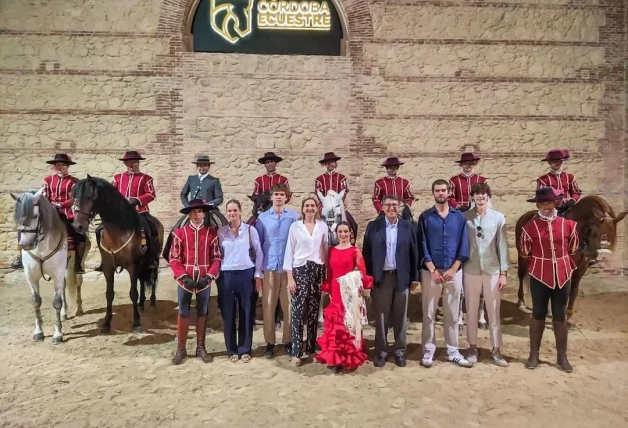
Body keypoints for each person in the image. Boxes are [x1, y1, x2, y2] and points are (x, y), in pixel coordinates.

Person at [520, 187, 579, 373]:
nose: (546, 206)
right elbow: (524, 251)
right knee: (538, 313)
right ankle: (534, 354)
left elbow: (574, 247)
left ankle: (562, 356)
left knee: (560, 314)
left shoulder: (568, 225)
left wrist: (560, 261)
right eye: (542, 203)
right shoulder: (530, 227)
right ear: (538, 204)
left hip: (562, 274)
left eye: (549, 202)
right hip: (539, 274)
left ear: (556, 203)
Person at [418, 179, 472, 368]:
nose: (440, 193)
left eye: (443, 190)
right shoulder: (425, 217)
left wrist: (454, 268)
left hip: (453, 272)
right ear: (433, 193)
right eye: (437, 190)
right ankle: (428, 350)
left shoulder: (459, 217)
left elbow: (463, 244)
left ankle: (453, 350)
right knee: (429, 314)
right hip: (430, 273)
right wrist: (432, 269)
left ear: (449, 192)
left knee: (453, 314)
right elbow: (422, 244)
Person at [363, 194, 419, 368]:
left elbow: (414, 253)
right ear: (382, 207)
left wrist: (415, 277)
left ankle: (400, 351)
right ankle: (381, 351)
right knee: (381, 317)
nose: (391, 208)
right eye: (388, 205)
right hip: (381, 278)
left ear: (399, 206)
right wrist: (369, 278)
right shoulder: (374, 227)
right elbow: (366, 254)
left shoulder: (408, 227)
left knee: (400, 316)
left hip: (402, 277)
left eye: (395, 205)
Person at [168, 199, 222, 365]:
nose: (197, 215)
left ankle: (200, 347)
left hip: (204, 281)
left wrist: (210, 276)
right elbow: (174, 258)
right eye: (194, 212)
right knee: (183, 311)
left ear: (204, 214)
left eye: (200, 212)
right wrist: (183, 276)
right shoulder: (179, 233)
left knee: (202, 311)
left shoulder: (212, 233)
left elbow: (217, 257)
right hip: (185, 280)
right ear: (189, 214)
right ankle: (181, 348)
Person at [316, 221, 373, 374]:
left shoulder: (355, 251)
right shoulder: (331, 251)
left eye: (345, 232)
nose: (342, 234)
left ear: (350, 233)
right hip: (335, 291)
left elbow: (362, 272)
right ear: (336, 234)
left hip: (349, 292)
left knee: (349, 323)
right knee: (336, 324)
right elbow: (329, 272)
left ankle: (349, 355)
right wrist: (328, 288)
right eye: (340, 232)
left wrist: (354, 285)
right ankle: (335, 358)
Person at [463, 182, 509, 367]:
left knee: (494, 311)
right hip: (471, 269)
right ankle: (472, 347)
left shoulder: (498, 218)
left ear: (488, 196)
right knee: (471, 310)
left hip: (492, 270)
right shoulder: (465, 217)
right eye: (477, 194)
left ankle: (496, 349)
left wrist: (504, 272)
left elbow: (503, 245)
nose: (480, 197)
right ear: (472, 196)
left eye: (483, 194)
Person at [255, 183, 300, 358]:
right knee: (268, 305)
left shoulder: (294, 218)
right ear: (271, 197)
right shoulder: (262, 219)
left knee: (288, 305)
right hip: (269, 267)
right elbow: (258, 247)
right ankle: (269, 342)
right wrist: (258, 273)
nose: (279, 197)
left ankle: (288, 340)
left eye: (282, 194)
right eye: (276, 194)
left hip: (288, 268)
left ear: (287, 197)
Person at [283, 196, 328, 366]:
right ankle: (296, 351)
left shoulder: (322, 227)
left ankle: (310, 348)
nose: (310, 208)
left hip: (316, 270)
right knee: (298, 312)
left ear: (317, 209)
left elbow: (324, 251)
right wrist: (290, 277)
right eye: (307, 205)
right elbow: (289, 251)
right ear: (302, 209)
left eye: (312, 206)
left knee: (313, 311)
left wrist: (324, 276)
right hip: (300, 270)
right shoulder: (295, 227)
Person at [95, 150, 158, 271]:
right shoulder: (118, 178)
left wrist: (137, 200)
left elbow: (151, 194)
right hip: (120, 214)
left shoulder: (146, 178)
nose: (133, 164)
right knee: (99, 230)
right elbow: (111, 194)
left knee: (152, 228)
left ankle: (151, 257)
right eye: (130, 162)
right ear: (125, 163)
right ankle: (105, 260)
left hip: (140, 211)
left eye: (135, 162)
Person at [217, 200, 263, 363]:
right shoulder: (221, 232)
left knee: (246, 312)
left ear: (240, 211)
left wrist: (258, 275)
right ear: (226, 213)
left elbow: (259, 253)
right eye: (229, 211)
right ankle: (231, 350)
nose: (232, 213)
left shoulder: (250, 231)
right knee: (228, 313)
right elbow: (217, 255)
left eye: (235, 210)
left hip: (246, 274)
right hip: (226, 275)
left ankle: (245, 349)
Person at [40, 154, 86, 274]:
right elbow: (45, 196)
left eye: (63, 165)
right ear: (54, 167)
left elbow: (73, 199)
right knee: (30, 228)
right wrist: (49, 206)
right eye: (58, 165)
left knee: (80, 235)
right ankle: (24, 258)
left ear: (68, 166)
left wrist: (61, 205)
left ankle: (78, 264)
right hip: (50, 212)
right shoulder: (47, 180)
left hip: (67, 213)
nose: (61, 168)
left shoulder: (74, 181)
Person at [314, 152, 358, 243]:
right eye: (328, 162)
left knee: (353, 224)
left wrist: (337, 203)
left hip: (339, 204)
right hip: (324, 206)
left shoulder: (341, 177)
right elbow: (318, 193)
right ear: (325, 164)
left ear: (335, 163)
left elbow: (344, 190)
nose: (331, 164)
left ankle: (350, 245)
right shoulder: (319, 179)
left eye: (332, 162)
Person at [180, 154, 224, 227]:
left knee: (220, 224)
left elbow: (219, 198)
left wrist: (208, 205)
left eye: (204, 165)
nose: (202, 167)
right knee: (180, 224)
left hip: (208, 210)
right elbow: (183, 194)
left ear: (208, 167)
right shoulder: (191, 179)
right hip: (193, 209)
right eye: (200, 165)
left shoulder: (214, 180)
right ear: (197, 166)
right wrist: (188, 206)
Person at [536, 149, 581, 215]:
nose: (556, 163)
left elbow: (576, 192)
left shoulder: (570, 177)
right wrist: (553, 205)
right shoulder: (543, 180)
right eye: (553, 161)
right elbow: (542, 197)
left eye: (558, 161)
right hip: (552, 208)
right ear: (549, 163)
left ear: (561, 162)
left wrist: (573, 200)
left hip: (569, 207)